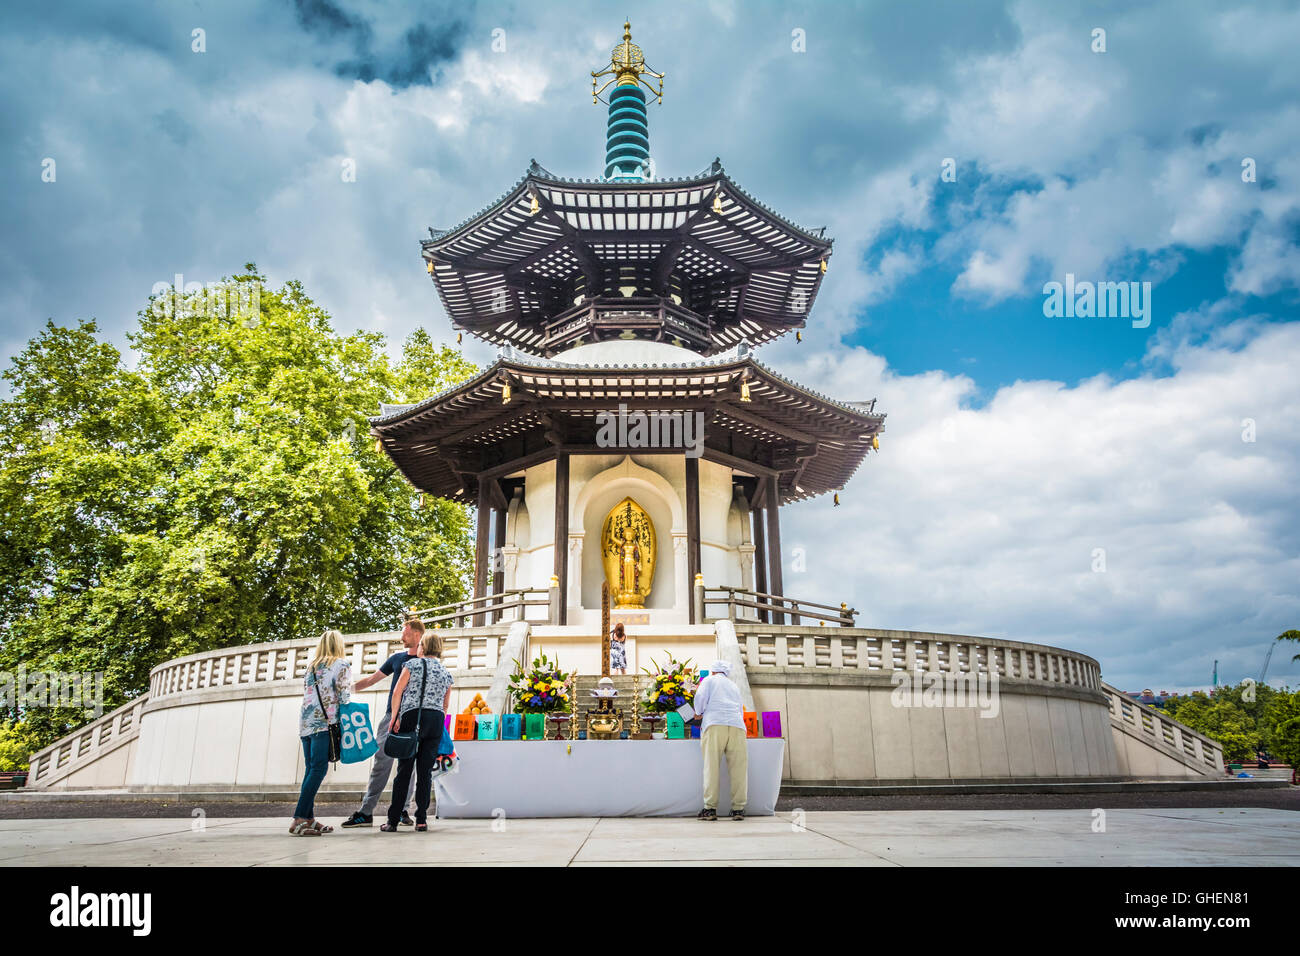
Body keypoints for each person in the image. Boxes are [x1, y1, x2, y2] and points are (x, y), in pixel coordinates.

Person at [339, 618, 423, 828]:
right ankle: (366, 812)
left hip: (415, 719)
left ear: (416, 634)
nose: (401, 636)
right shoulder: (396, 658)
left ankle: (403, 810)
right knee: (381, 763)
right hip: (390, 717)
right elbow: (371, 680)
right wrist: (346, 691)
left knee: (409, 767)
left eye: (404, 632)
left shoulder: (427, 661)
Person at [380, 631, 454, 833]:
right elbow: (445, 704)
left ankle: (393, 820)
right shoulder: (446, 672)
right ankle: (421, 819)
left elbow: (398, 692)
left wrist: (395, 717)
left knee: (404, 770)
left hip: (412, 717)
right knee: (425, 772)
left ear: (423, 646)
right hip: (436, 720)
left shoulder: (411, 665)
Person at [291, 629, 352, 836]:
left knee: (311, 770)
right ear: (339, 645)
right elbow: (344, 697)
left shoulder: (311, 667)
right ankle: (299, 819)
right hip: (325, 725)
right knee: (318, 770)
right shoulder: (341, 665)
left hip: (306, 724)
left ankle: (309, 819)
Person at [692, 658, 747, 822]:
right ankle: (738, 809)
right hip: (737, 725)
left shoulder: (708, 680)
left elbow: (700, 698)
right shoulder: (733, 685)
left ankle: (710, 809)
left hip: (715, 724)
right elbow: (739, 707)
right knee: (739, 769)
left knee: (712, 767)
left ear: (713, 671)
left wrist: (698, 712)